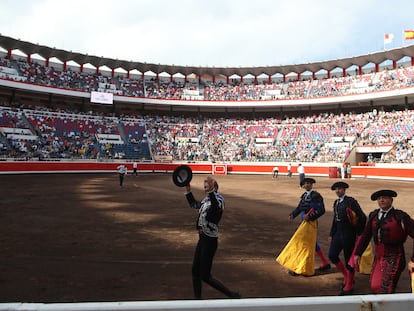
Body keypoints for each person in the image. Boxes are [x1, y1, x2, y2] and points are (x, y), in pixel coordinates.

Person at [184, 176, 240, 299]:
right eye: (204, 187)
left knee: (205, 275)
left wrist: (211, 192)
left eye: (207, 187)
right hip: (202, 239)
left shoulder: (219, 199)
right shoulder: (206, 200)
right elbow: (195, 204)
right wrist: (188, 191)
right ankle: (197, 300)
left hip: (210, 240)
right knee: (195, 271)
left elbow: (215, 207)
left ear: (214, 187)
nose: (205, 189)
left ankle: (231, 294)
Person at [353, 189, 414, 294]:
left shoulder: (400, 217)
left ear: (391, 200)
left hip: (395, 257)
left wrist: (413, 259)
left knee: (386, 288)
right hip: (379, 257)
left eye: (384, 198)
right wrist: (358, 253)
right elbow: (366, 235)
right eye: (379, 198)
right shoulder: (374, 215)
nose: (381, 200)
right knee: (374, 285)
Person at [328, 181, 367, 295]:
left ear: (344, 190)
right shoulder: (336, 203)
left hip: (348, 233)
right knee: (332, 255)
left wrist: (357, 231)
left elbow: (362, 217)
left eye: (340, 189)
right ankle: (346, 275)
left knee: (348, 259)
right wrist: (331, 234)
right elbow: (335, 220)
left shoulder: (351, 201)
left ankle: (349, 284)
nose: (337, 191)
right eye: (336, 189)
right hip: (338, 232)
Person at [288, 177, 331, 275]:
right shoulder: (304, 195)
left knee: (304, 243)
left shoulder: (316, 195)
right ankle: (325, 262)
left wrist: (311, 216)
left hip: (311, 222)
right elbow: (300, 207)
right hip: (304, 221)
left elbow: (321, 210)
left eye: (308, 183)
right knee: (312, 243)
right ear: (303, 186)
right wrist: (293, 214)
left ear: (312, 184)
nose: (306, 185)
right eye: (305, 183)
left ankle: (300, 267)